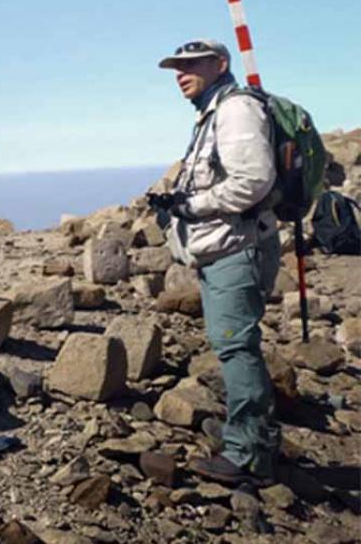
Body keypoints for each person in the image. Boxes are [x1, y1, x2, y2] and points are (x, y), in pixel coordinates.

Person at [151, 38, 282, 485]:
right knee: (233, 345)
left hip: (236, 248)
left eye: (191, 64)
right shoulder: (212, 112)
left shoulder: (235, 110)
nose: (180, 74)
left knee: (235, 347)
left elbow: (253, 180)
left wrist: (194, 207)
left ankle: (249, 457)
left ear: (219, 64)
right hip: (222, 248)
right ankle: (253, 440)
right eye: (176, 67)